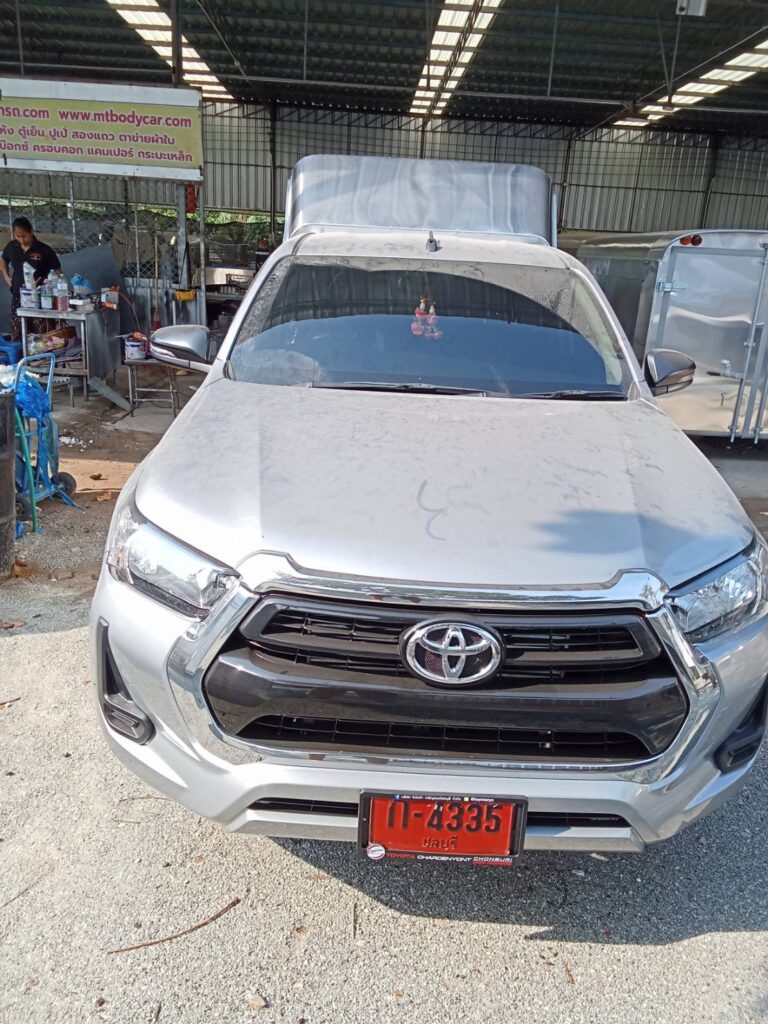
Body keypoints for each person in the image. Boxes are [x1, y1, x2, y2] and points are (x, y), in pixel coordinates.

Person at [0, 216, 62, 341]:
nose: (21, 240)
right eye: (18, 236)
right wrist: (7, 277)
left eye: (24, 236)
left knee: (43, 335)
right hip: (19, 296)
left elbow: (57, 270)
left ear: (31, 232)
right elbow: (3, 260)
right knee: (19, 333)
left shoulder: (44, 249)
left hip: (41, 298)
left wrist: (51, 285)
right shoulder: (12, 247)